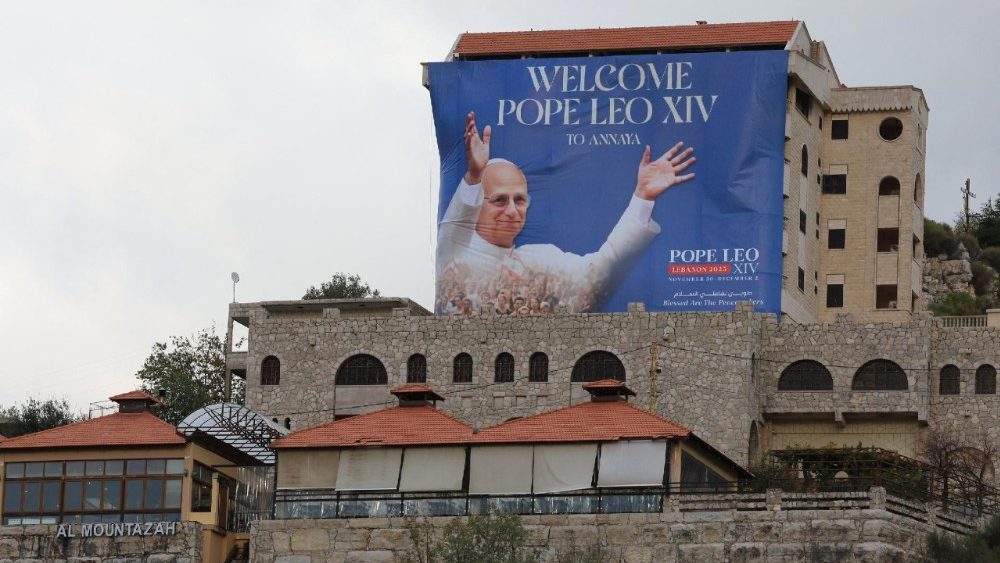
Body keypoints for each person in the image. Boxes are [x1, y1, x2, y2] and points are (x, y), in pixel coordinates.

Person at [436, 112, 696, 314]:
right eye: (500, 200)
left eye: (520, 200)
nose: (513, 211)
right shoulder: (456, 252)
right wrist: (473, 176)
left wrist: (643, 197)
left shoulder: (541, 257)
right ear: (478, 203)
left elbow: (599, 271)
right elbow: (455, 225)